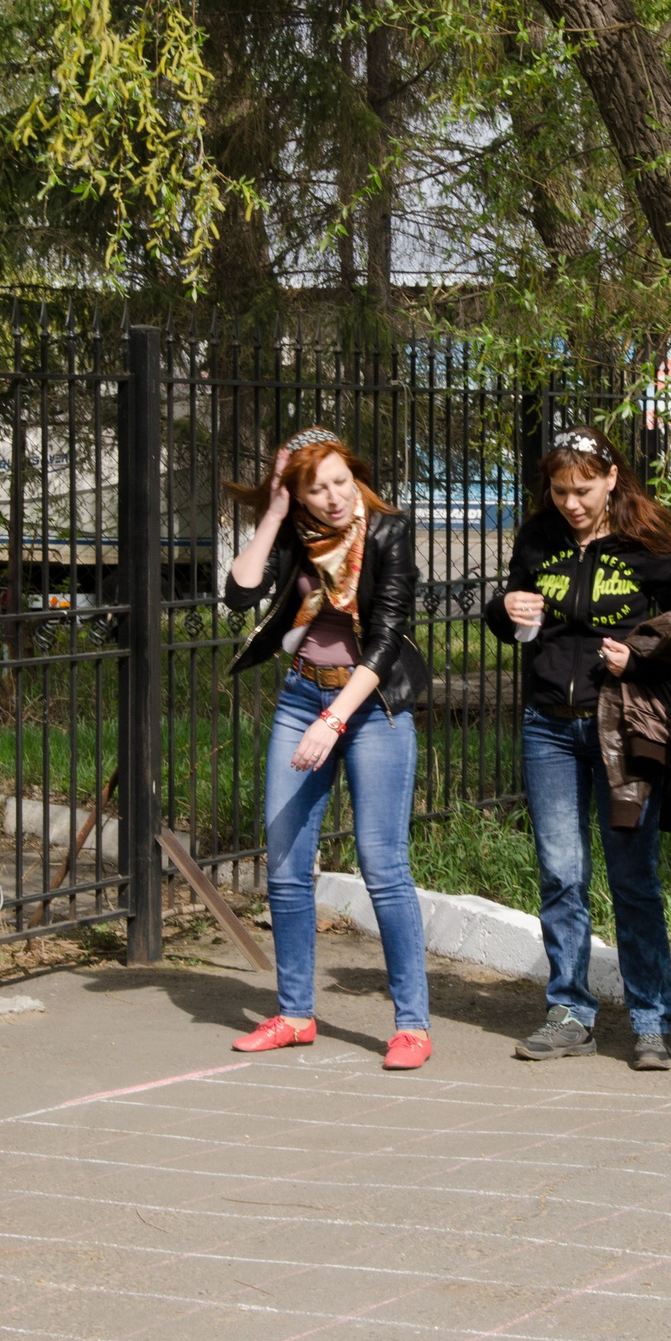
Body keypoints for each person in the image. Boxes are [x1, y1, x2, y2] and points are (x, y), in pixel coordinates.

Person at [486, 426, 671, 1069]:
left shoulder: (648, 543)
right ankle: (570, 1013)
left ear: (612, 479)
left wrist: (637, 651)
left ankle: (651, 1019)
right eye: (559, 491)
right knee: (561, 873)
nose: (571, 503)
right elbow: (509, 621)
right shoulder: (538, 539)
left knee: (633, 875)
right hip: (548, 722)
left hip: (622, 724)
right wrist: (506, 608)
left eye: (583, 490)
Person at [221, 427, 434, 1070]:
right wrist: (275, 513)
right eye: (318, 488)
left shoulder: (390, 532)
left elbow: (388, 637)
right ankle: (293, 1014)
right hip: (299, 698)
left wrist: (334, 721)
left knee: (383, 864)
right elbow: (239, 591)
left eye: (341, 481)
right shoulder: (295, 531)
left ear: (355, 475)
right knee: (285, 865)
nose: (335, 497)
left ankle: (412, 1026)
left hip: (372, 707)